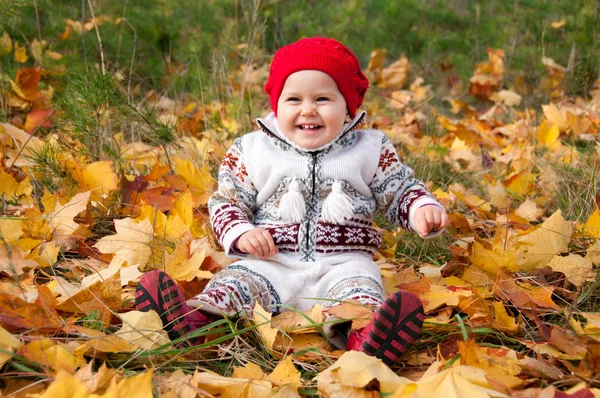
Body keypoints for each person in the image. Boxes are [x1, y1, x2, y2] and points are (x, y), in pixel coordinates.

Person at [135, 37, 448, 366]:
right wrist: (240, 232)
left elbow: (398, 187)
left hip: (343, 263)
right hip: (271, 260)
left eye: (323, 98)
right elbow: (227, 200)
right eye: (294, 98)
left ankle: (367, 337)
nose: (308, 109)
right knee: (235, 283)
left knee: (361, 291)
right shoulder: (254, 149)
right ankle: (194, 322)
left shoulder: (369, 148)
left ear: (348, 107)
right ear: (276, 104)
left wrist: (419, 208)